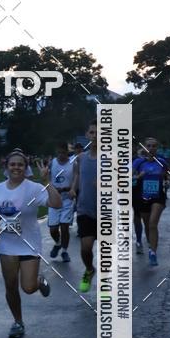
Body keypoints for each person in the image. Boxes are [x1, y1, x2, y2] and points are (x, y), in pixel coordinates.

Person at [0, 150, 62, 338]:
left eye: (20, 164)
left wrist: (47, 181)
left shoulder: (34, 188)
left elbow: (56, 204)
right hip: (7, 245)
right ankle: (18, 322)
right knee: (10, 286)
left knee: (28, 288)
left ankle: (39, 281)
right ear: (6, 166)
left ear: (26, 167)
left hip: (29, 244)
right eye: (13, 164)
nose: (16, 168)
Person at [70, 121, 98, 292]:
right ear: (87, 135)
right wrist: (73, 188)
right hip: (84, 209)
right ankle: (89, 269)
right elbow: (77, 175)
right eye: (92, 132)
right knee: (86, 247)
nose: (95, 136)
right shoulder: (81, 158)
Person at [133, 137, 169, 266]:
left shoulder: (162, 162)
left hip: (158, 197)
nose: (151, 148)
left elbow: (167, 176)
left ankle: (153, 252)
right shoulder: (138, 162)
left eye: (154, 146)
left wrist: (166, 181)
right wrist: (138, 176)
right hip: (143, 197)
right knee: (147, 224)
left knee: (153, 224)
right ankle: (150, 245)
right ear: (144, 148)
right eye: (149, 146)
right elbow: (128, 178)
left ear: (157, 148)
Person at [47, 143, 74, 262]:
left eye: (63, 153)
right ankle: (58, 243)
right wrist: (50, 188)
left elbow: (76, 179)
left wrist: (69, 189)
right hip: (54, 199)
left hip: (67, 199)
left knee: (64, 227)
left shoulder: (73, 163)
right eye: (58, 153)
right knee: (53, 229)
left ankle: (64, 251)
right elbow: (46, 178)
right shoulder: (53, 162)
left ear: (67, 152)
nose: (61, 155)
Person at [132, 143, 145, 254]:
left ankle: (139, 239)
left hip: (137, 191)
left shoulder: (141, 161)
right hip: (121, 191)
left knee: (137, 217)